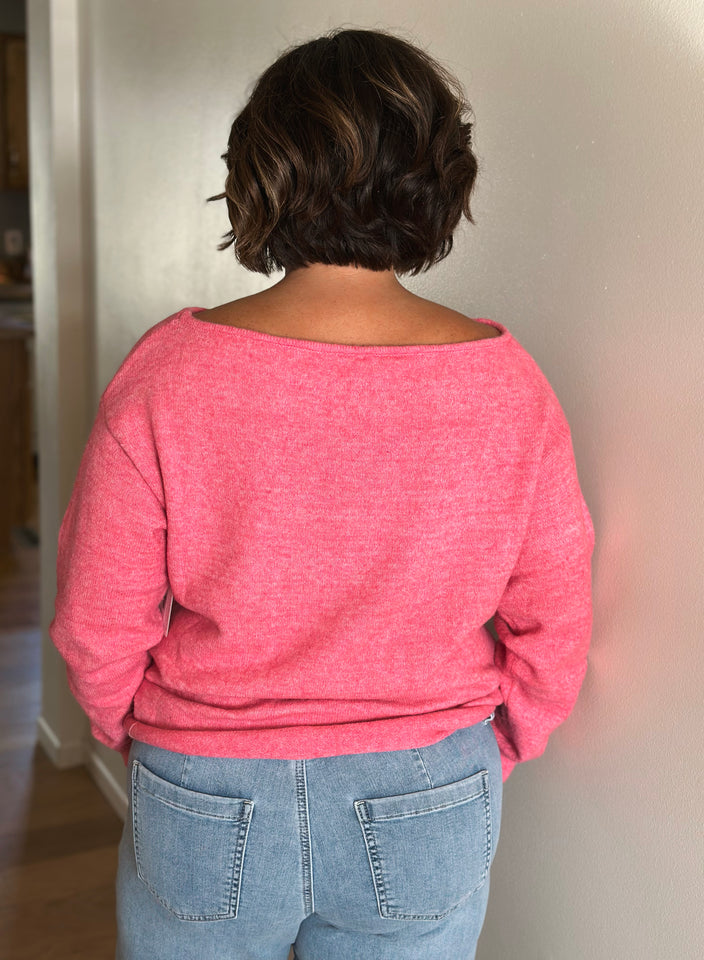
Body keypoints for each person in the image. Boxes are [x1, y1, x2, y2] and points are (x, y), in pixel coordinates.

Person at [49, 27, 594, 960]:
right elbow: (556, 613)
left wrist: (143, 741)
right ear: (441, 180)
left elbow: (98, 621)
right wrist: (503, 746)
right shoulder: (510, 387)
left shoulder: (168, 374)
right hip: (428, 779)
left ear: (260, 174)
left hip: (207, 781)